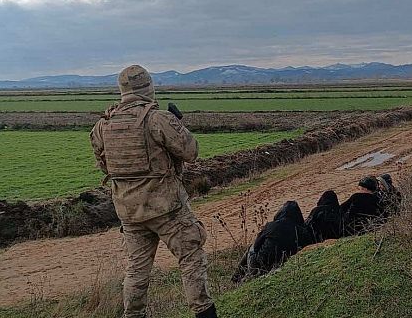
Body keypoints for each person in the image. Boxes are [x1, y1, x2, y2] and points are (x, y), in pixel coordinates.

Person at [90, 65, 216, 318]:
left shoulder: (103, 126)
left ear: (122, 91)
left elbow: (105, 165)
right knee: (191, 259)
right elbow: (190, 152)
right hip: (167, 208)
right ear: (149, 87)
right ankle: (204, 313)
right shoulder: (158, 118)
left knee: (137, 269)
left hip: (128, 210)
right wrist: (178, 124)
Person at [232, 201, 313, 282]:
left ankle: (236, 277)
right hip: (283, 264)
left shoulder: (271, 225)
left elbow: (256, 247)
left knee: (251, 248)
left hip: (259, 264)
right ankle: (245, 277)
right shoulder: (301, 231)